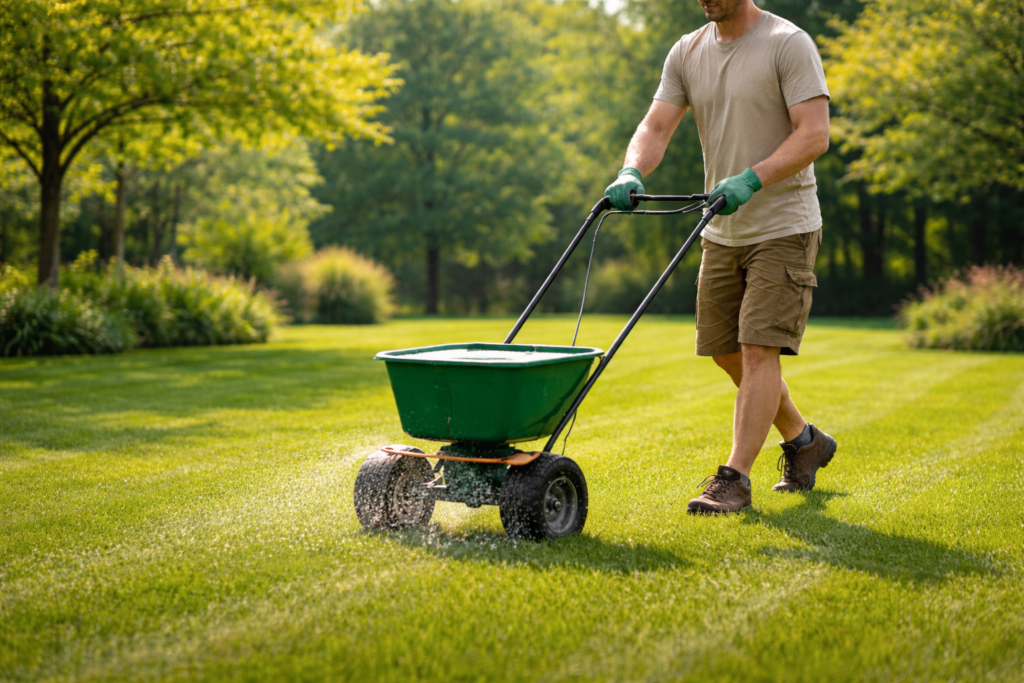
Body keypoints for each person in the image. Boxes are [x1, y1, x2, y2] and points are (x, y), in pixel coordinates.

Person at [604, 0, 837, 514]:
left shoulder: (787, 43)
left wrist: (754, 177)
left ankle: (734, 479)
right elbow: (657, 126)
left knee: (758, 350)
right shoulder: (687, 51)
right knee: (723, 350)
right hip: (723, 227)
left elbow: (815, 133)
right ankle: (805, 441)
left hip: (784, 226)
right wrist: (631, 171)